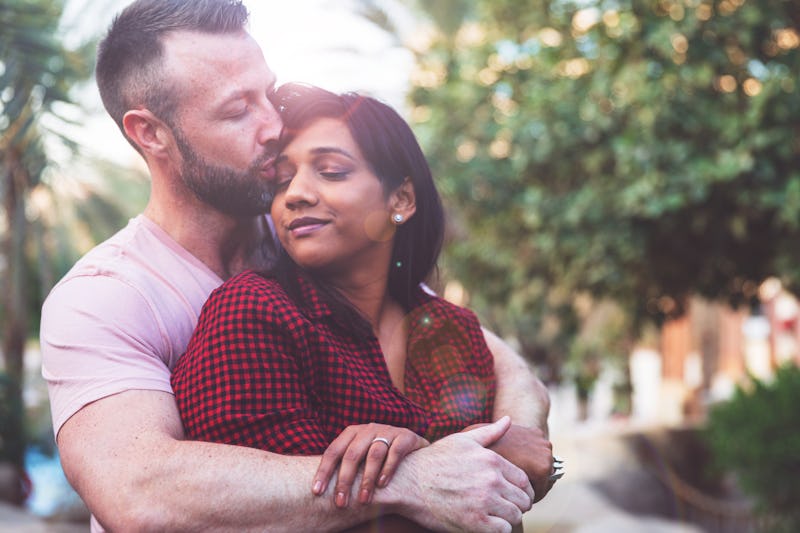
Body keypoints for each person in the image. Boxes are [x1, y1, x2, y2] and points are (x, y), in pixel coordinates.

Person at [39, 1, 554, 531]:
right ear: (150, 133)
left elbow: (497, 360)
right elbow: (139, 493)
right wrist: (408, 479)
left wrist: (512, 440)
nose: (273, 125)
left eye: (269, 93)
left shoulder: (311, 236)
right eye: (238, 109)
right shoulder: (106, 296)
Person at [171, 85, 547, 523]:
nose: (295, 195)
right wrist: (429, 459)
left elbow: (499, 500)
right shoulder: (252, 313)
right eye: (283, 180)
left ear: (401, 200)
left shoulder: (454, 329)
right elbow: (264, 512)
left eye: (331, 171)